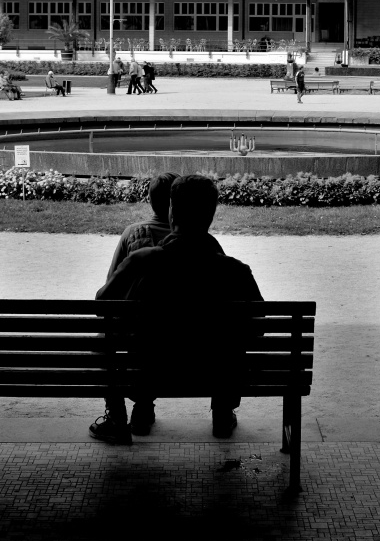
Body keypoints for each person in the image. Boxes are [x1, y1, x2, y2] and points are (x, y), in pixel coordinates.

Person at [91, 175, 261, 444]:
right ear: (211, 215)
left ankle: (119, 417)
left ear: (171, 211)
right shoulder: (235, 271)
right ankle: (222, 412)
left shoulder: (139, 262)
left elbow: (102, 305)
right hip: (212, 374)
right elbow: (257, 329)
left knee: (103, 340)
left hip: (148, 373)